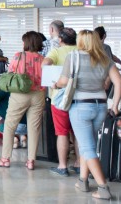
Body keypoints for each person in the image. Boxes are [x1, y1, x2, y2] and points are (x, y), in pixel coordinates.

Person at [53, 30, 121, 200]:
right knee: (88, 143)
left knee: (87, 147)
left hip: (80, 107)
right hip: (100, 106)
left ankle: (103, 188)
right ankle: (83, 180)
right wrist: (114, 104)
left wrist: (56, 84)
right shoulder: (104, 58)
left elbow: (63, 81)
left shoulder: (74, 56)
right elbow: (119, 82)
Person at [0, 31, 45, 171]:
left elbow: (11, 73)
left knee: (9, 125)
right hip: (38, 94)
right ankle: (31, 161)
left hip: (20, 94)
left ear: (26, 43)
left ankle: (5, 159)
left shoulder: (19, 56)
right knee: (34, 128)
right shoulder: (43, 59)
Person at [42, 27, 80, 177]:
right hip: (78, 96)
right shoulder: (81, 51)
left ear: (60, 39)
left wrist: (56, 75)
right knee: (78, 132)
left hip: (59, 98)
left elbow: (45, 64)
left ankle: (63, 166)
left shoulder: (57, 51)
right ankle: (79, 163)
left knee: (62, 132)